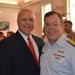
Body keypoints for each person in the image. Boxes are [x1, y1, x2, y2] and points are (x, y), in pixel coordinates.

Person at [0, 9, 44, 75]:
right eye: (24, 19)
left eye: (31, 19)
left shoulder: (40, 41)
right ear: (17, 21)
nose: (27, 22)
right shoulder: (6, 44)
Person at [40, 11, 75, 75]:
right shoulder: (44, 47)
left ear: (62, 27)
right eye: (47, 24)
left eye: (55, 24)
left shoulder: (71, 49)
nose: (51, 27)